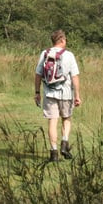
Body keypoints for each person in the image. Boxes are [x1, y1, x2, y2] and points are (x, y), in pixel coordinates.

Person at [34, 29, 81, 162]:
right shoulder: (69, 55)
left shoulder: (45, 53)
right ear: (61, 40)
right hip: (66, 93)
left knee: (52, 121)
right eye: (65, 39)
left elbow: (38, 74)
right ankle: (64, 143)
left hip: (49, 93)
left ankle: (53, 152)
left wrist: (37, 92)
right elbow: (75, 77)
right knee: (66, 118)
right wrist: (77, 95)